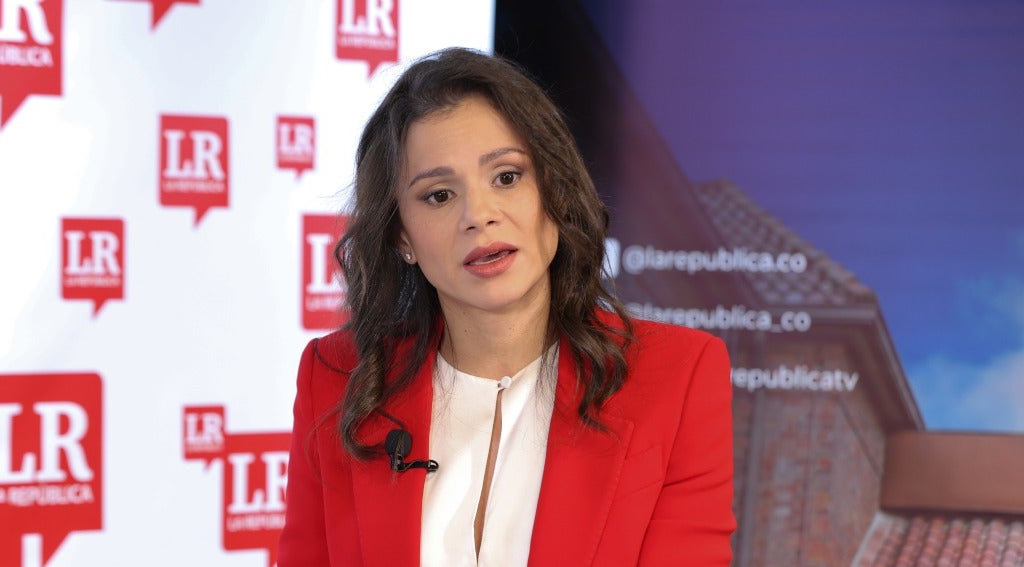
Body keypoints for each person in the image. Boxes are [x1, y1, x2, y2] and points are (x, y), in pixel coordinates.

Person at [277, 47, 734, 567]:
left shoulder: (677, 376)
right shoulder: (336, 379)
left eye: (507, 177)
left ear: (554, 191)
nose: (480, 215)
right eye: (439, 195)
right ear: (402, 236)